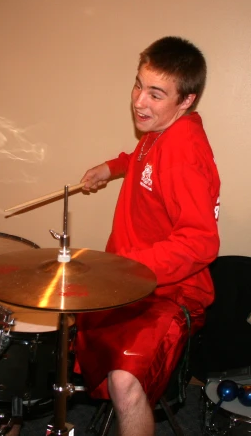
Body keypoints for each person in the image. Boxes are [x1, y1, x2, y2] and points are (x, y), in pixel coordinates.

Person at [75, 36, 221, 436]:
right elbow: (142, 157)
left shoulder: (183, 151)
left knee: (126, 381)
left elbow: (200, 242)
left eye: (156, 94)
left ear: (186, 100)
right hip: (135, 283)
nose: (139, 101)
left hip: (172, 293)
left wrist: (125, 267)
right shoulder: (160, 132)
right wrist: (112, 167)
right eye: (138, 85)